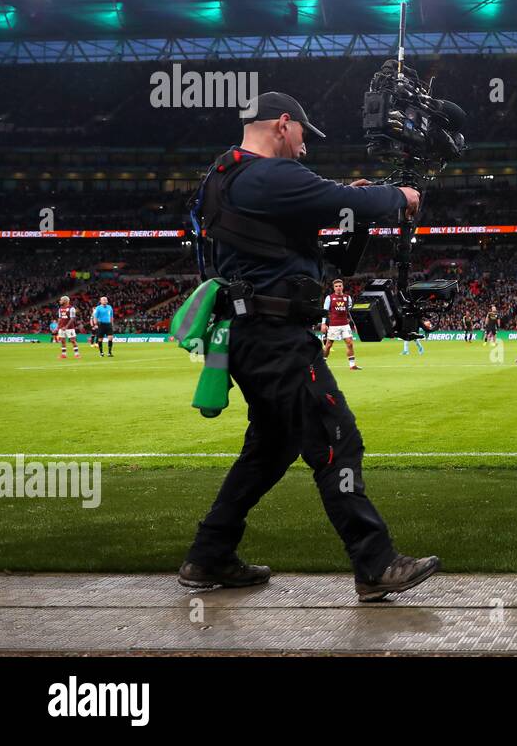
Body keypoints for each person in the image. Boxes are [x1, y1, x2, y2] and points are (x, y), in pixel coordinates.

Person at [179, 91, 439, 602]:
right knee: (336, 438)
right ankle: (376, 563)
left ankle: (208, 555)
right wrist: (399, 197)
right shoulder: (266, 175)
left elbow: (315, 211)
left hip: (251, 336)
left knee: (270, 449)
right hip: (277, 338)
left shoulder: (225, 176)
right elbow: (346, 200)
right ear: (282, 124)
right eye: (302, 136)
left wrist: (348, 196)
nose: (304, 149)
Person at [320, 279, 361, 370]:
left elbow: (350, 312)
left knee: (350, 344)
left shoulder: (347, 297)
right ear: (334, 288)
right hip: (334, 325)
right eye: (336, 286)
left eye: (340, 286)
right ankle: (322, 364)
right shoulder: (329, 298)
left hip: (345, 324)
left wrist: (355, 324)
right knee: (328, 345)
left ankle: (352, 365)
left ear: (342, 287)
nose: (338, 288)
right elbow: (325, 312)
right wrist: (323, 324)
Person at [55, 296, 80, 360]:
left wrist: (66, 327)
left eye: (61, 300)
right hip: (61, 328)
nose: (60, 301)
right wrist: (57, 327)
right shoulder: (60, 308)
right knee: (62, 341)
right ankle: (64, 355)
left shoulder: (71, 308)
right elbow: (60, 318)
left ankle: (77, 354)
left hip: (70, 328)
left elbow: (72, 318)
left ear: (65, 301)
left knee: (73, 341)